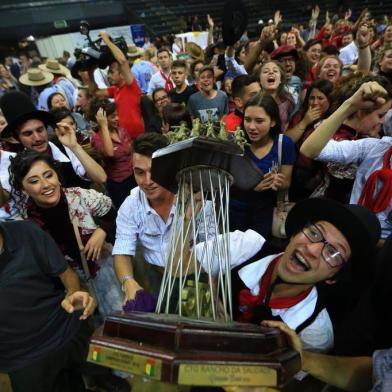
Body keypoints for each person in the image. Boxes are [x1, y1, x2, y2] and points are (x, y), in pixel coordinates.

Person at [231, 196, 381, 352]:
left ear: (333, 277)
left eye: (333, 253)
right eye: (315, 233)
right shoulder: (245, 248)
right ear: (295, 234)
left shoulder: (314, 334)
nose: (312, 249)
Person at [9, 151, 123, 317]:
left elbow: (118, 217)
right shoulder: (26, 224)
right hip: (66, 285)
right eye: (34, 181)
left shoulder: (80, 196)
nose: (46, 184)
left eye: (48, 175)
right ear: (23, 189)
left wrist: (102, 231)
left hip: (102, 268)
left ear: (57, 175)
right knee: (89, 326)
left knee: (118, 317)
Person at [0, 219, 96, 392]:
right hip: (23, 360)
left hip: (67, 331)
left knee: (103, 377)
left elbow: (67, 275)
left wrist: (74, 293)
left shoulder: (24, 231)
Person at [301, 79, 392, 240]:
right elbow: (309, 150)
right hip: (339, 225)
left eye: (385, 115)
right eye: (381, 115)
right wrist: (351, 104)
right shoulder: (375, 148)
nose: (383, 121)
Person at [0, 91, 107, 188]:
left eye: (40, 130)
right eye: (28, 133)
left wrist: (74, 146)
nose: (37, 138)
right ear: (17, 137)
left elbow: (101, 178)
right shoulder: (16, 165)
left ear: (46, 129)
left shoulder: (64, 147)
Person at [229, 93, 296, 239]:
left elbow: (286, 183)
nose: (251, 127)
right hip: (234, 212)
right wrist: (251, 186)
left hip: (265, 214)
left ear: (272, 121)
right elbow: (223, 180)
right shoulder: (234, 142)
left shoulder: (283, 144)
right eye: (247, 120)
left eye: (259, 121)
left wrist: (277, 182)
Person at [85, 31, 144, 140]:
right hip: (124, 138)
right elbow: (95, 92)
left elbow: (122, 61)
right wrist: (90, 71)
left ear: (122, 74)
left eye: (111, 72)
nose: (108, 76)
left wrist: (106, 40)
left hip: (138, 137)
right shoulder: (115, 90)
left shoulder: (131, 85)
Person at [90, 99, 135, 208]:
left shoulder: (122, 131)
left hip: (133, 178)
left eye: (117, 115)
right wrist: (104, 126)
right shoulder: (97, 138)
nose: (117, 119)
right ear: (103, 119)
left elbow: (132, 151)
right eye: (113, 116)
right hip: (118, 185)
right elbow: (110, 153)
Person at [258, 60, 295, 131]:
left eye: (275, 71)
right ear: (259, 79)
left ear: (280, 79)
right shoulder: (253, 101)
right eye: (265, 71)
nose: (271, 72)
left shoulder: (288, 101)